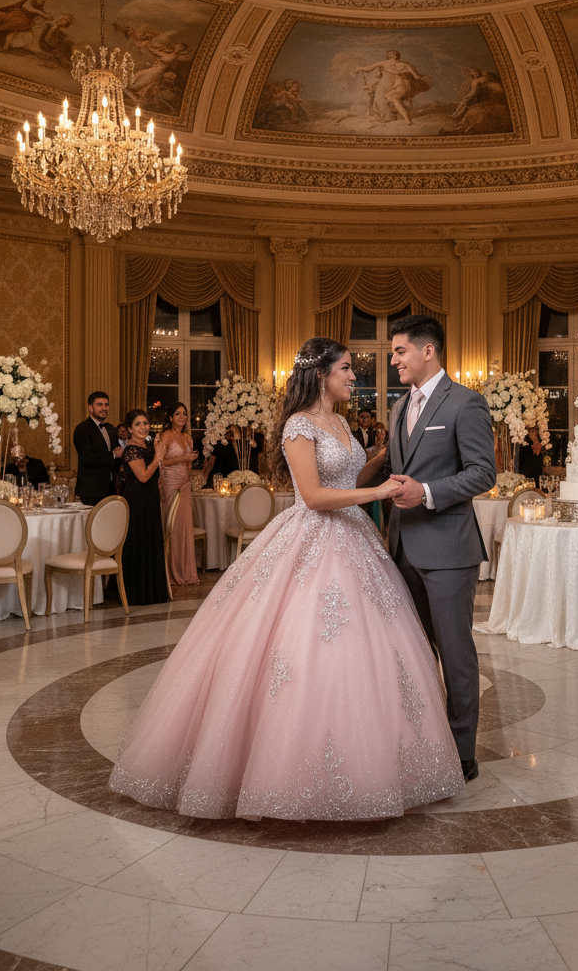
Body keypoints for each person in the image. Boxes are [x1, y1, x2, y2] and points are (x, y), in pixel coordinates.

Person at [109, 337, 465, 820]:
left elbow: (349, 480)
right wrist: (380, 491)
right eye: (345, 368)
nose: (353, 376)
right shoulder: (299, 424)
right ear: (321, 374)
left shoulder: (341, 422)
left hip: (356, 538)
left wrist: (381, 460)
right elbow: (315, 496)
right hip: (313, 535)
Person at [383, 314, 496, 783]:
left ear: (427, 350)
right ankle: (424, 740)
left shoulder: (466, 403)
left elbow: (483, 473)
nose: (393, 361)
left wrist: (426, 492)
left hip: (449, 551)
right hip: (402, 550)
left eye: (400, 351)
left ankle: (462, 751)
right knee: (412, 654)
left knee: (455, 654)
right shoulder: (397, 408)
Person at [119, 410, 170, 607]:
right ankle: (138, 593)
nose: (143, 427)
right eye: (138, 424)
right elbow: (143, 477)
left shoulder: (147, 446)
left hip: (150, 498)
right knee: (139, 542)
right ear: (130, 429)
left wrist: (157, 451)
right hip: (137, 501)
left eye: (146, 423)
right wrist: (158, 456)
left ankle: (153, 591)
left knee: (150, 541)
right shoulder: (131, 449)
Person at [157, 401, 199, 587]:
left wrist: (188, 461)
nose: (182, 417)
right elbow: (160, 461)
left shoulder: (187, 438)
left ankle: (185, 571)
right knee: (172, 527)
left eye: (184, 413)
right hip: (170, 484)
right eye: (178, 414)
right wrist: (183, 457)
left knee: (184, 527)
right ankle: (170, 572)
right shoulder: (166, 436)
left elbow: (187, 466)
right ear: (170, 417)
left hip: (184, 483)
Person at [73, 391, 123, 506]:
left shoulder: (111, 429)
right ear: (90, 408)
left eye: (106, 405)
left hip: (111, 488)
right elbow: (87, 458)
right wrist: (113, 455)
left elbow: (117, 456)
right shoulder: (82, 429)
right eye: (99, 404)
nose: (104, 408)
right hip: (91, 491)